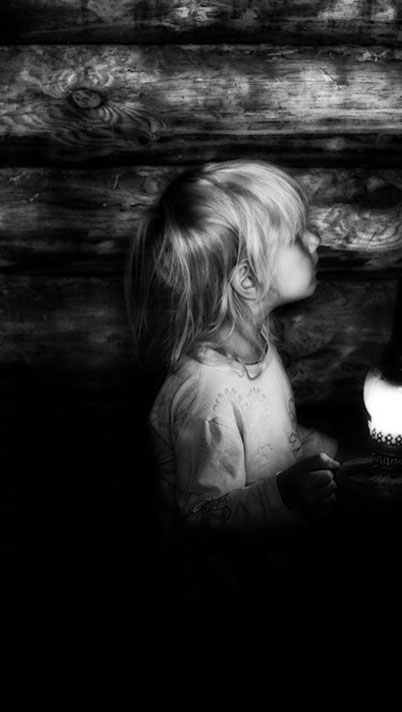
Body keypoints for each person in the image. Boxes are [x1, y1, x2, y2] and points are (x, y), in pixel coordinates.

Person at [124, 160, 341, 620]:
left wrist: (320, 450)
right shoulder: (209, 393)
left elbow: (266, 439)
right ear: (248, 278)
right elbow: (201, 514)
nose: (315, 240)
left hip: (270, 574)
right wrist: (286, 494)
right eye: (297, 236)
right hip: (223, 599)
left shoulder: (256, 342)